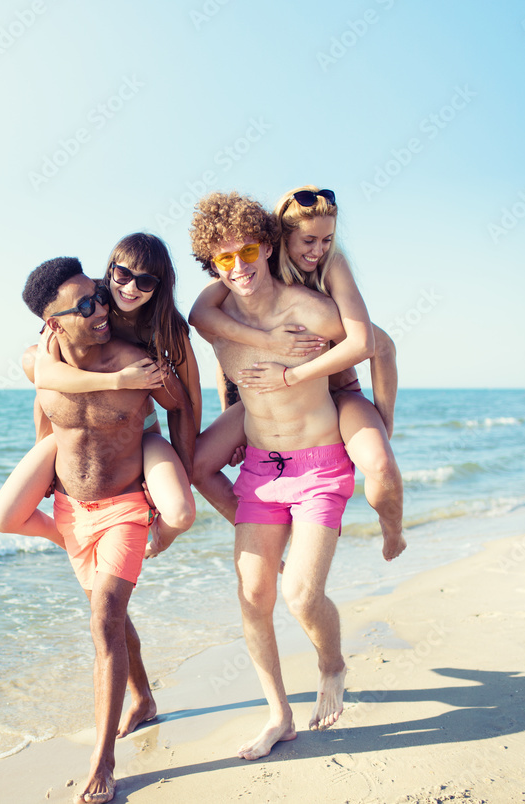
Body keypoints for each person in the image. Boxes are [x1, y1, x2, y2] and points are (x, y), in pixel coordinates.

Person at [8, 256, 195, 804]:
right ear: (53, 323)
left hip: (126, 505)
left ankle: (102, 761)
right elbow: (45, 401)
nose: (101, 307)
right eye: (85, 304)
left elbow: (180, 406)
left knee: (104, 619)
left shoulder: (136, 357)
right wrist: (45, 476)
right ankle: (143, 698)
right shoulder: (39, 360)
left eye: (98, 295)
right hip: (72, 511)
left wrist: (168, 386)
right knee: (108, 616)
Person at [188, 190, 352, 760]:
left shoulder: (310, 310)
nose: (240, 267)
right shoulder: (216, 321)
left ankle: (332, 665)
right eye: (225, 259)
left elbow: (373, 344)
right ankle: (278, 714)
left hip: (319, 467)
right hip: (260, 469)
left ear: (266, 244)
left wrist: (380, 426)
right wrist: (233, 413)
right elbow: (210, 342)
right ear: (213, 265)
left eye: (248, 251)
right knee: (255, 593)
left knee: (302, 595)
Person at [189, 185, 405, 562]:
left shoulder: (331, 267)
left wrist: (384, 422)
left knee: (381, 464)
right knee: (198, 465)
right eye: (308, 240)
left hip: (337, 388)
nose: (317, 250)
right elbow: (214, 334)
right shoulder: (246, 270)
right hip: (272, 394)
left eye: (326, 239)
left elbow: (376, 346)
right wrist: (264, 348)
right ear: (281, 239)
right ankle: (265, 546)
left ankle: (393, 533)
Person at [0, 233, 199, 558]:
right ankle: (67, 537)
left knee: (178, 508)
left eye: (145, 282)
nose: (130, 288)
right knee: (1, 517)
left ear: (159, 285)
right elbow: (46, 383)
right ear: (111, 270)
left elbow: (187, 402)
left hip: (140, 417)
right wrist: (119, 381)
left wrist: (185, 473)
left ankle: (157, 533)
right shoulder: (87, 300)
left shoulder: (166, 325)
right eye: (124, 275)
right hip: (109, 397)